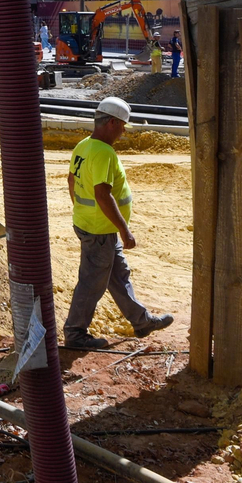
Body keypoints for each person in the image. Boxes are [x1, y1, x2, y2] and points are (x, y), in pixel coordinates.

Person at [63, 96, 174, 349]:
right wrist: (125, 229)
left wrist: (81, 210)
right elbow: (103, 194)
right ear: (111, 122)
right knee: (92, 283)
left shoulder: (83, 145)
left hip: (95, 226)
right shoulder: (104, 153)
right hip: (99, 230)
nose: (124, 131)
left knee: (118, 274)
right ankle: (75, 334)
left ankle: (141, 321)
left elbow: (71, 181)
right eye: (123, 125)